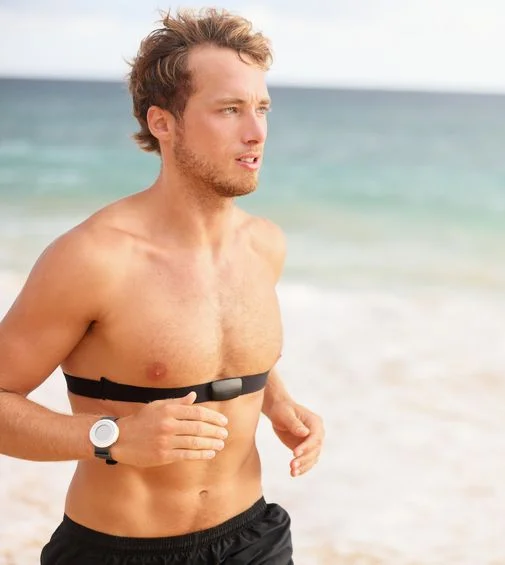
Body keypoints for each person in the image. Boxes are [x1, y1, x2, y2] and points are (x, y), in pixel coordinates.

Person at [0, 8, 323, 564]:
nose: (256, 132)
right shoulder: (94, 258)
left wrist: (279, 402)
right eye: (229, 110)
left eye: (261, 108)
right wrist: (110, 437)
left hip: (255, 538)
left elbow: (219, 348)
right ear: (163, 123)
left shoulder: (264, 245)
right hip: (118, 551)